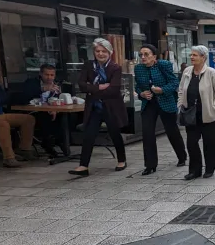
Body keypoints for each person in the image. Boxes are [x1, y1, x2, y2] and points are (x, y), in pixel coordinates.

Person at [69, 38, 127, 176]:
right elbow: (82, 85)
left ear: (110, 52)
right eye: (97, 51)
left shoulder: (115, 68)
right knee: (88, 135)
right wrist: (99, 87)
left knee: (114, 134)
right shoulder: (89, 65)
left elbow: (114, 89)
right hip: (94, 107)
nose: (100, 54)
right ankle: (83, 166)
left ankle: (121, 160)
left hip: (111, 106)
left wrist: (92, 90)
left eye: (103, 51)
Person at [134, 44, 187, 176]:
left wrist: (162, 90)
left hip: (165, 101)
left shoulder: (163, 65)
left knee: (171, 131)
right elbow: (137, 86)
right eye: (141, 54)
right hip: (149, 103)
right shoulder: (139, 68)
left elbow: (174, 82)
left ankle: (182, 156)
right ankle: (150, 165)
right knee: (147, 134)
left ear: (154, 56)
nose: (143, 57)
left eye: (146, 54)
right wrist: (141, 94)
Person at [178, 46, 215, 180]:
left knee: (209, 143)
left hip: (208, 115)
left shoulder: (211, 73)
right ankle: (195, 170)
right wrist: (180, 105)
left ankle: (210, 168)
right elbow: (181, 90)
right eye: (191, 55)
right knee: (191, 143)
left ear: (203, 57)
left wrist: (214, 108)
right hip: (190, 114)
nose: (192, 57)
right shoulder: (187, 71)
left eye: (195, 55)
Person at [0, 57, 36, 168]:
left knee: (28, 119)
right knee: (2, 125)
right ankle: (8, 158)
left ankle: (24, 149)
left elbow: (4, 96)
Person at [20, 63, 63, 157]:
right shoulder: (31, 82)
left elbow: (57, 98)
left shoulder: (57, 84)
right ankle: (48, 144)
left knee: (64, 116)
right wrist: (42, 89)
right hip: (33, 110)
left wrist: (54, 108)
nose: (49, 78)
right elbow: (25, 95)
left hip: (50, 109)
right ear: (41, 74)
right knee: (45, 117)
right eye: (46, 75)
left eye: (52, 75)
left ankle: (62, 142)